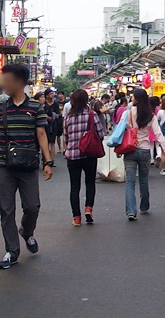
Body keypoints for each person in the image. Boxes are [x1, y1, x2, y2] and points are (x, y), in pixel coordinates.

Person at [0, 64, 54, 270]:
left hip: (28, 164)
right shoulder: (0, 107)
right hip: (3, 165)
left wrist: (48, 162)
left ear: (20, 82)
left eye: (8, 80)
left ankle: (27, 232)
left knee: (32, 206)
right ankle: (12, 251)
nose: (4, 84)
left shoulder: (35, 107)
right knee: (6, 210)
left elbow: (41, 134)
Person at [117, 88, 165, 220]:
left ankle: (131, 211)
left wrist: (118, 149)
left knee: (130, 182)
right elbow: (158, 133)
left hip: (130, 149)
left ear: (136, 99)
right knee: (143, 180)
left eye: (133, 97)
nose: (131, 99)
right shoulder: (150, 115)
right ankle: (144, 206)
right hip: (145, 150)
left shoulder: (128, 113)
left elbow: (121, 132)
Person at [63, 89, 106, 226]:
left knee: (74, 187)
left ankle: (76, 217)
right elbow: (101, 134)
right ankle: (88, 208)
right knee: (90, 183)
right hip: (89, 155)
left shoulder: (68, 118)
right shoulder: (92, 115)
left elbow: (66, 138)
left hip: (73, 156)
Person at [43, 89, 60, 162]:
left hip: (53, 125)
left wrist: (54, 116)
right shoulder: (44, 104)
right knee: (45, 142)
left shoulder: (55, 104)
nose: (53, 95)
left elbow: (58, 114)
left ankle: (52, 159)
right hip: (44, 125)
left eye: (53, 93)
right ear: (47, 96)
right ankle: (46, 158)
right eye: (51, 93)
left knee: (52, 142)